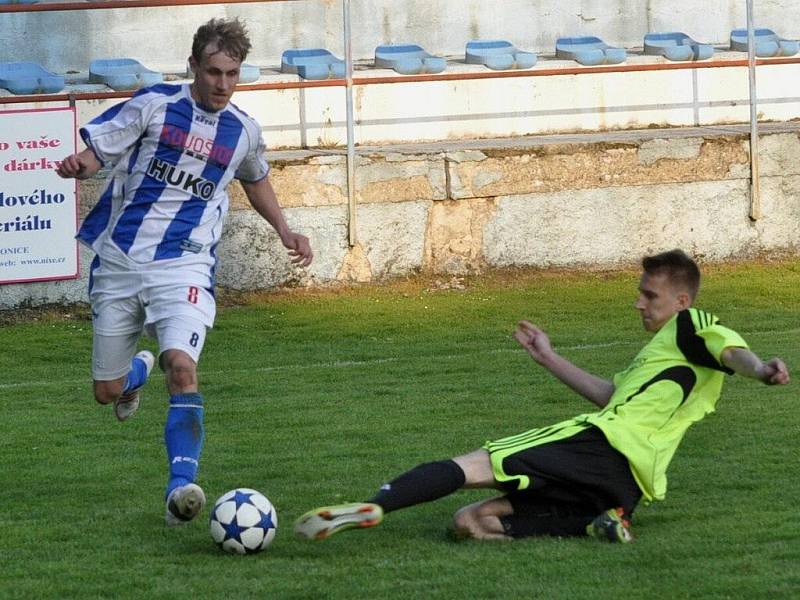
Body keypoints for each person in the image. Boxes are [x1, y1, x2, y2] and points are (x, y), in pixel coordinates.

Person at [294, 249, 788, 543]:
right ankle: (603, 522)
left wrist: (762, 370)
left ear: (681, 300)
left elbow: (733, 354)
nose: (638, 301)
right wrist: (548, 358)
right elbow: (612, 395)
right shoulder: (663, 356)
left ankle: (373, 506)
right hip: (626, 487)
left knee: (473, 465)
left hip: (600, 448)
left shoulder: (694, 324)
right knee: (469, 522)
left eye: (649, 295)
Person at [56, 18, 313, 527]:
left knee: (183, 366)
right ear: (193, 66)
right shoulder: (154, 105)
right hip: (121, 263)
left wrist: (286, 230)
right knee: (104, 393)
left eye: (232, 74)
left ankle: (182, 487)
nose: (222, 84)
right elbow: (98, 151)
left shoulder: (242, 130)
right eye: (214, 71)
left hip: (186, 264)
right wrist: (79, 165)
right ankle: (134, 375)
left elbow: (255, 179)